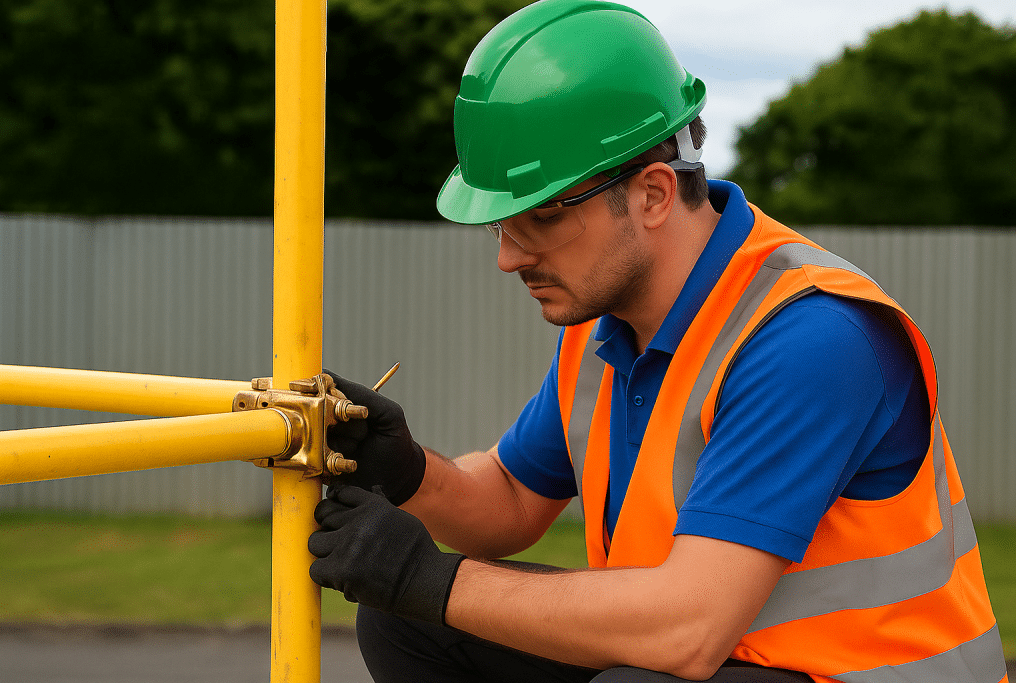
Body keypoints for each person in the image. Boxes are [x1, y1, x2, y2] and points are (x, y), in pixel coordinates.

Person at [306, 1, 1009, 681]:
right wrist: (407, 472)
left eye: (541, 215)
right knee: (410, 623)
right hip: (719, 658)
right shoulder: (605, 326)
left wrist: (426, 574)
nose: (509, 257)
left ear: (651, 194)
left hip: (857, 674)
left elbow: (688, 629)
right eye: (500, 224)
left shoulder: (810, 335)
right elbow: (514, 498)